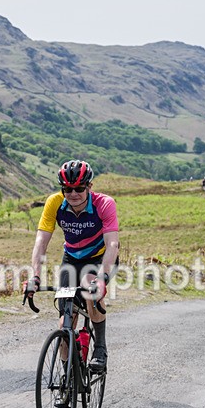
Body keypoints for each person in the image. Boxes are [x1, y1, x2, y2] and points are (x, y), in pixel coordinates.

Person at [26, 160, 119, 373]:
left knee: (89, 291)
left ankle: (100, 348)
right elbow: (41, 241)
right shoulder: (55, 203)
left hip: (100, 257)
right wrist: (35, 276)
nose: (73, 193)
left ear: (89, 187)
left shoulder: (104, 204)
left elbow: (112, 243)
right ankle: (68, 375)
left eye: (79, 188)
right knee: (65, 323)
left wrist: (103, 278)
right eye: (68, 189)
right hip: (72, 259)